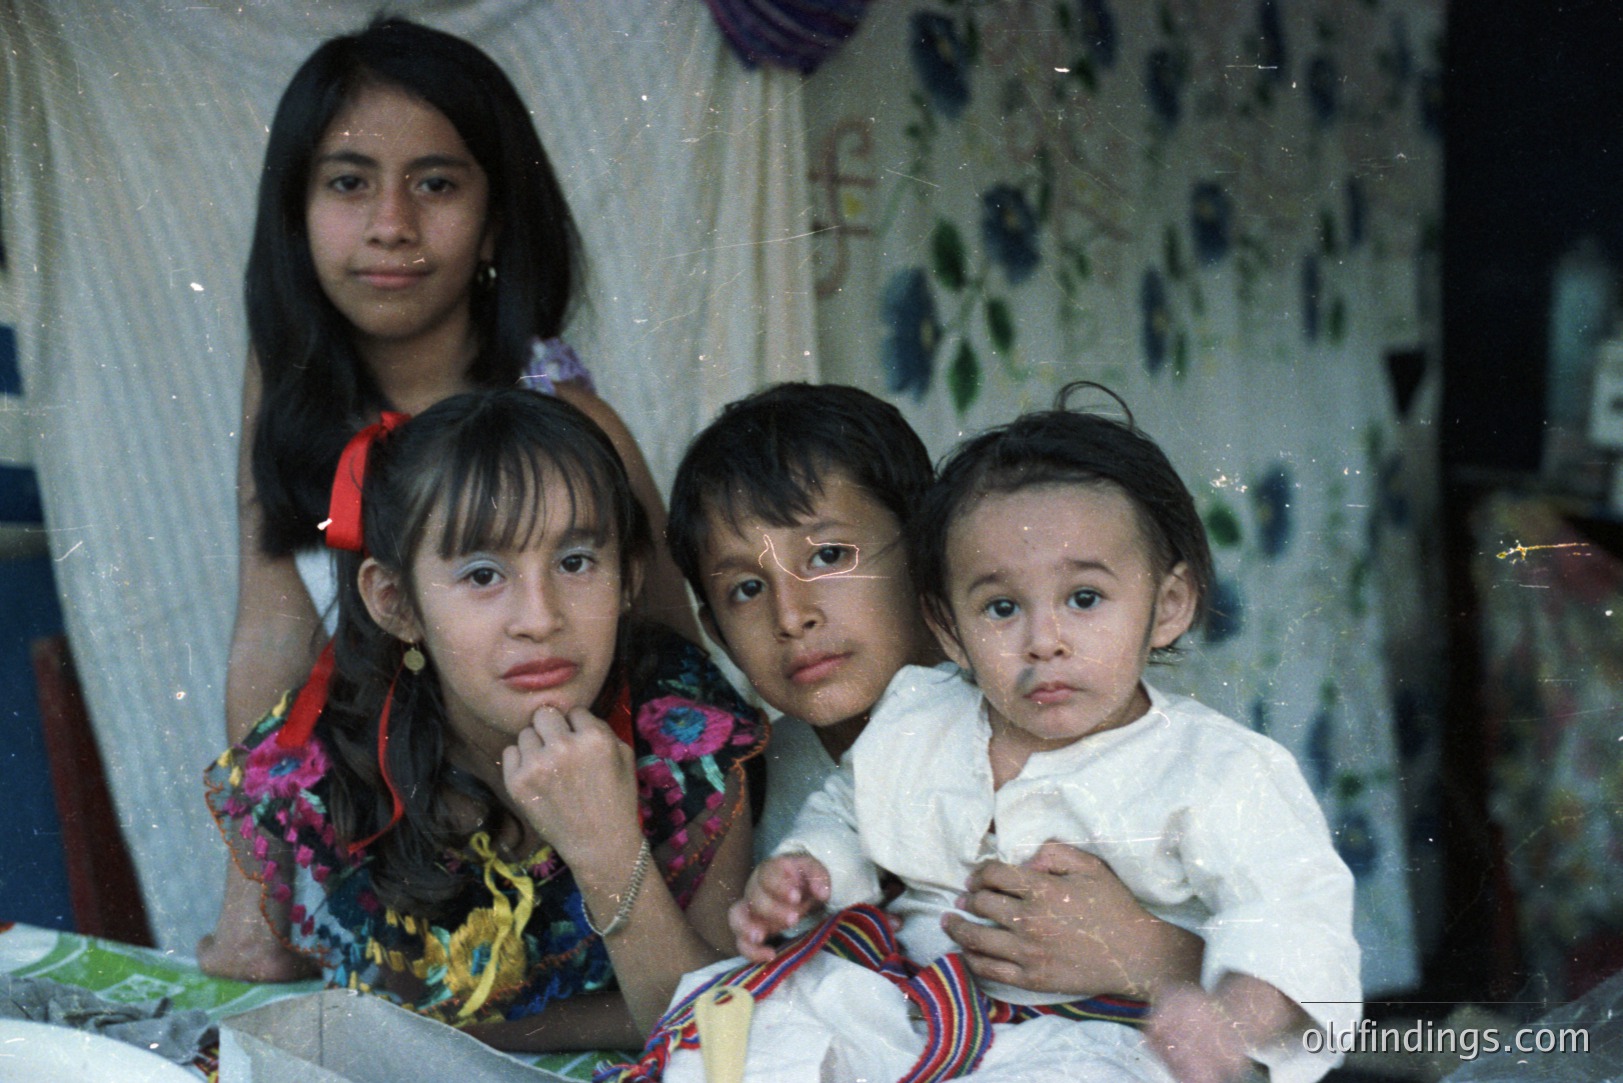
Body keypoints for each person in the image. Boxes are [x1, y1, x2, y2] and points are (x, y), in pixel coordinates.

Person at [644, 384, 1360, 1083]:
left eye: (1083, 598)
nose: (1042, 639)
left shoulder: (1216, 768)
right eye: (1000, 607)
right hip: (924, 1016)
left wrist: (1232, 1012)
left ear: (1167, 606)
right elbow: (846, 806)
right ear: (949, 624)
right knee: (743, 1025)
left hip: (1107, 1038)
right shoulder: (920, 716)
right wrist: (809, 863)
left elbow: (1299, 923)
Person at [202, 15, 692, 982]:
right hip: (388, 861)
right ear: (295, 212)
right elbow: (272, 635)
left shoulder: (564, 418)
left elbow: (672, 667)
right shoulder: (293, 389)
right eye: (349, 182)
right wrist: (254, 894)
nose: (391, 223)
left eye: (436, 182)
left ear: (498, 215)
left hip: (569, 873)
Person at [206, 390, 762, 1050]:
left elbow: (720, 1028)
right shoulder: (331, 758)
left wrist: (608, 849)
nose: (539, 616)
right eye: (481, 574)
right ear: (396, 602)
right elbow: (387, 1013)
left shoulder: (689, 736)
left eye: (575, 561)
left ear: (627, 578)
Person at [661, 385, 1204, 1006]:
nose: (792, 615)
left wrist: (1153, 954)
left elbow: (1311, 987)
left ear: (931, 551)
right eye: (747, 589)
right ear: (717, 633)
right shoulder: (751, 784)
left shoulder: (1093, 726)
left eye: (830, 556)